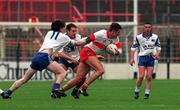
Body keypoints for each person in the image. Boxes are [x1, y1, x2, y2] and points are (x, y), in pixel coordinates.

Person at [0, 20, 87, 99]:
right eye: (63, 27)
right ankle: (55, 89)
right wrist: (91, 38)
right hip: (44, 57)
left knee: (24, 79)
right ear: (61, 28)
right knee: (62, 72)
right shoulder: (64, 37)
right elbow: (77, 43)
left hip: (37, 56)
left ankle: (7, 92)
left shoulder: (49, 33)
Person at [60, 22, 122, 99]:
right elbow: (87, 40)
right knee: (100, 70)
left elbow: (119, 50)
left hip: (92, 54)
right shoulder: (101, 34)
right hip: (87, 51)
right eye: (117, 32)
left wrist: (116, 52)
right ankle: (84, 87)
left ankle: (60, 91)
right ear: (112, 31)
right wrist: (75, 43)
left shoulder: (116, 39)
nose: (118, 34)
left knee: (79, 78)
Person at [130, 22, 161, 99]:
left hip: (151, 58)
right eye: (146, 27)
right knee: (141, 76)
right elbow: (133, 49)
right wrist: (132, 58)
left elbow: (159, 48)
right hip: (142, 57)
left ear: (151, 28)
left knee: (149, 77)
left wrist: (157, 54)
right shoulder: (139, 37)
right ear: (143, 28)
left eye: (149, 27)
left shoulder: (155, 37)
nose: (147, 28)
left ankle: (147, 93)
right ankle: (136, 91)